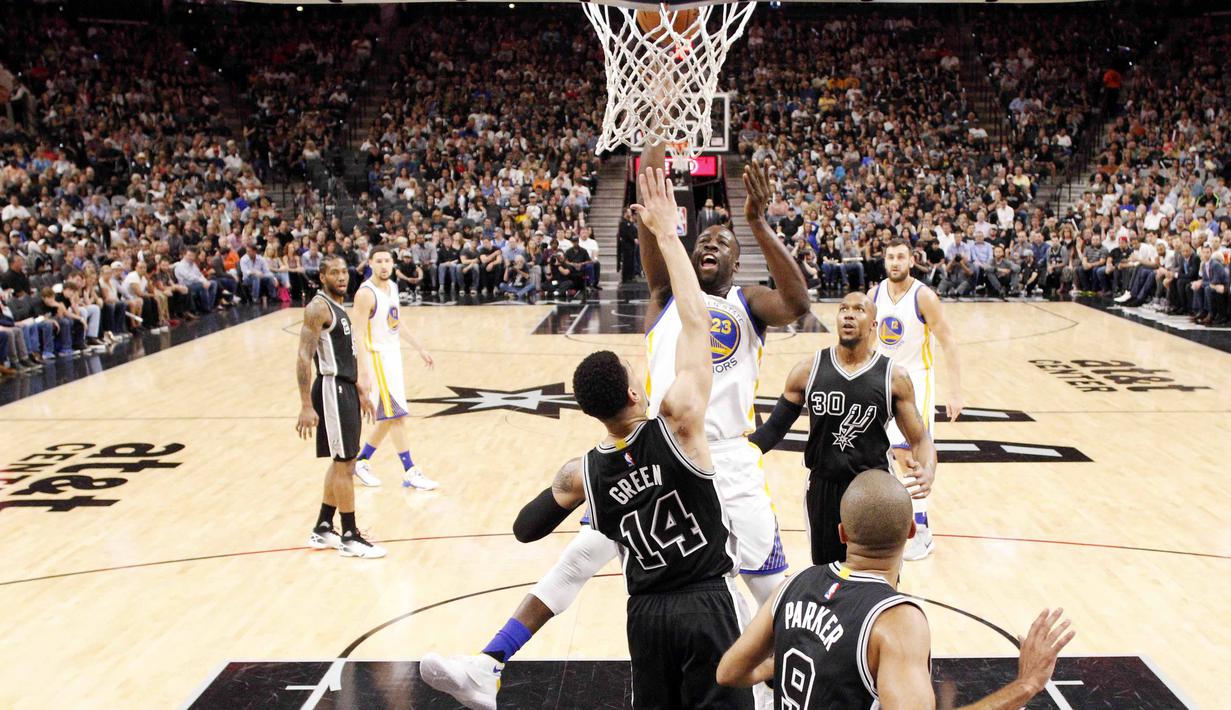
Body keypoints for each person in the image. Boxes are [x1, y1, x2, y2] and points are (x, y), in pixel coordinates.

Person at [420, 151, 811, 710]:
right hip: (657, 444)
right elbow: (661, 240)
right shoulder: (665, 296)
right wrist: (653, 136)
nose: (709, 246)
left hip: (725, 459)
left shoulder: (747, 303)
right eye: (702, 240)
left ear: (737, 262)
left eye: (723, 244)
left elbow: (797, 302)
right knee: (583, 552)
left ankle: (817, 681)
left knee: (771, 589)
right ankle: (489, 663)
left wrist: (755, 222)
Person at [717, 470, 1077, 710]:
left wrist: (788, 662)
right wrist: (1026, 685)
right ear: (909, 532)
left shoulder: (794, 584)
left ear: (842, 533)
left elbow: (729, 672)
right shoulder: (895, 621)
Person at [750, 292, 937, 565]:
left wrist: (928, 470)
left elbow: (920, 440)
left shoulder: (893, 377)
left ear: (874, 324)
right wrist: (732, 455)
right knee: (826, 574)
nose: (849, 314)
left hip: (875, 490)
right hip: (823, 487)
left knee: (876, 576)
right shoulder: (808, 370)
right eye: (843, 309)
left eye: (859, 309)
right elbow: (773, 431)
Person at [870, 239, 962, 560]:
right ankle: (900, 520)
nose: (895, 262)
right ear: (884, 261)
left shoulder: (924, 296)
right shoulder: (875, 295)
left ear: (911, 260)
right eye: (890, 257)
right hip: (883, 382)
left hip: (916, 382)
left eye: (900, 257)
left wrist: (955, 392)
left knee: (911, 453)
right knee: (888, 456)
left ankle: (922, 528)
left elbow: (949, 342)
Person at [295, 256, 385, 559]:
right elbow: (303, 357)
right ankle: (349, 535)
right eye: (334, 272)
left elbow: (346, 353)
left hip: (345, 388)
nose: (341, 277)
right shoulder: (317, 308)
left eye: (344, 272)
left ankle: (323, 526)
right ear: (322, 277)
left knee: (341, 462)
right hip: (331, 389)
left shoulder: (337, 308)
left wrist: (360, 390)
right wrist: (306, 405)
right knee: (345, 463)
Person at [351, 245, 438, 490]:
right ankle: (410, 470)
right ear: (370, 263)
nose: (384, 265)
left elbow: (396, 323)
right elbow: (357, 334)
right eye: (379, 261)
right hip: (376, 358)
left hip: (393, 357)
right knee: (396, 415)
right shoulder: (365, 293)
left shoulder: (393, 288)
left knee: (389, 417)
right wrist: (363, 370)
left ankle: (362, 461)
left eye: (388, 260)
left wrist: (419, 347)